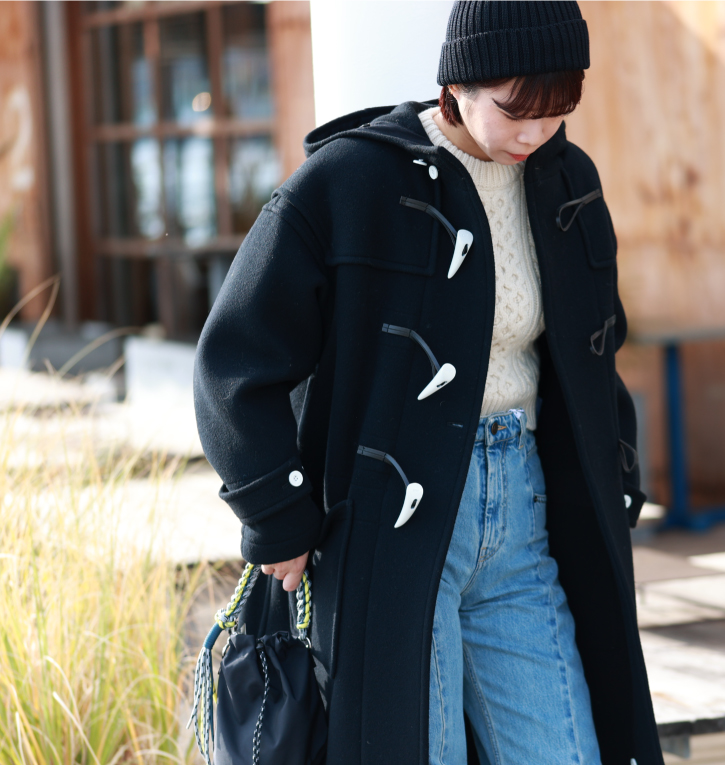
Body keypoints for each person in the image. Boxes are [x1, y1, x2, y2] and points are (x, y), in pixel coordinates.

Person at [193, 2, 660, 763]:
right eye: (515, 109)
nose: (535, 133)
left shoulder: (566, 180)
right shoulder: (354, 180)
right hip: (399, 525)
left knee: (566, 749)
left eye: (557, 111)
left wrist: (618, 469)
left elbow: (595, 345)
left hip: (525, 511)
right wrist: (274, 511)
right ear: (458, 82)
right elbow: (235, 357)